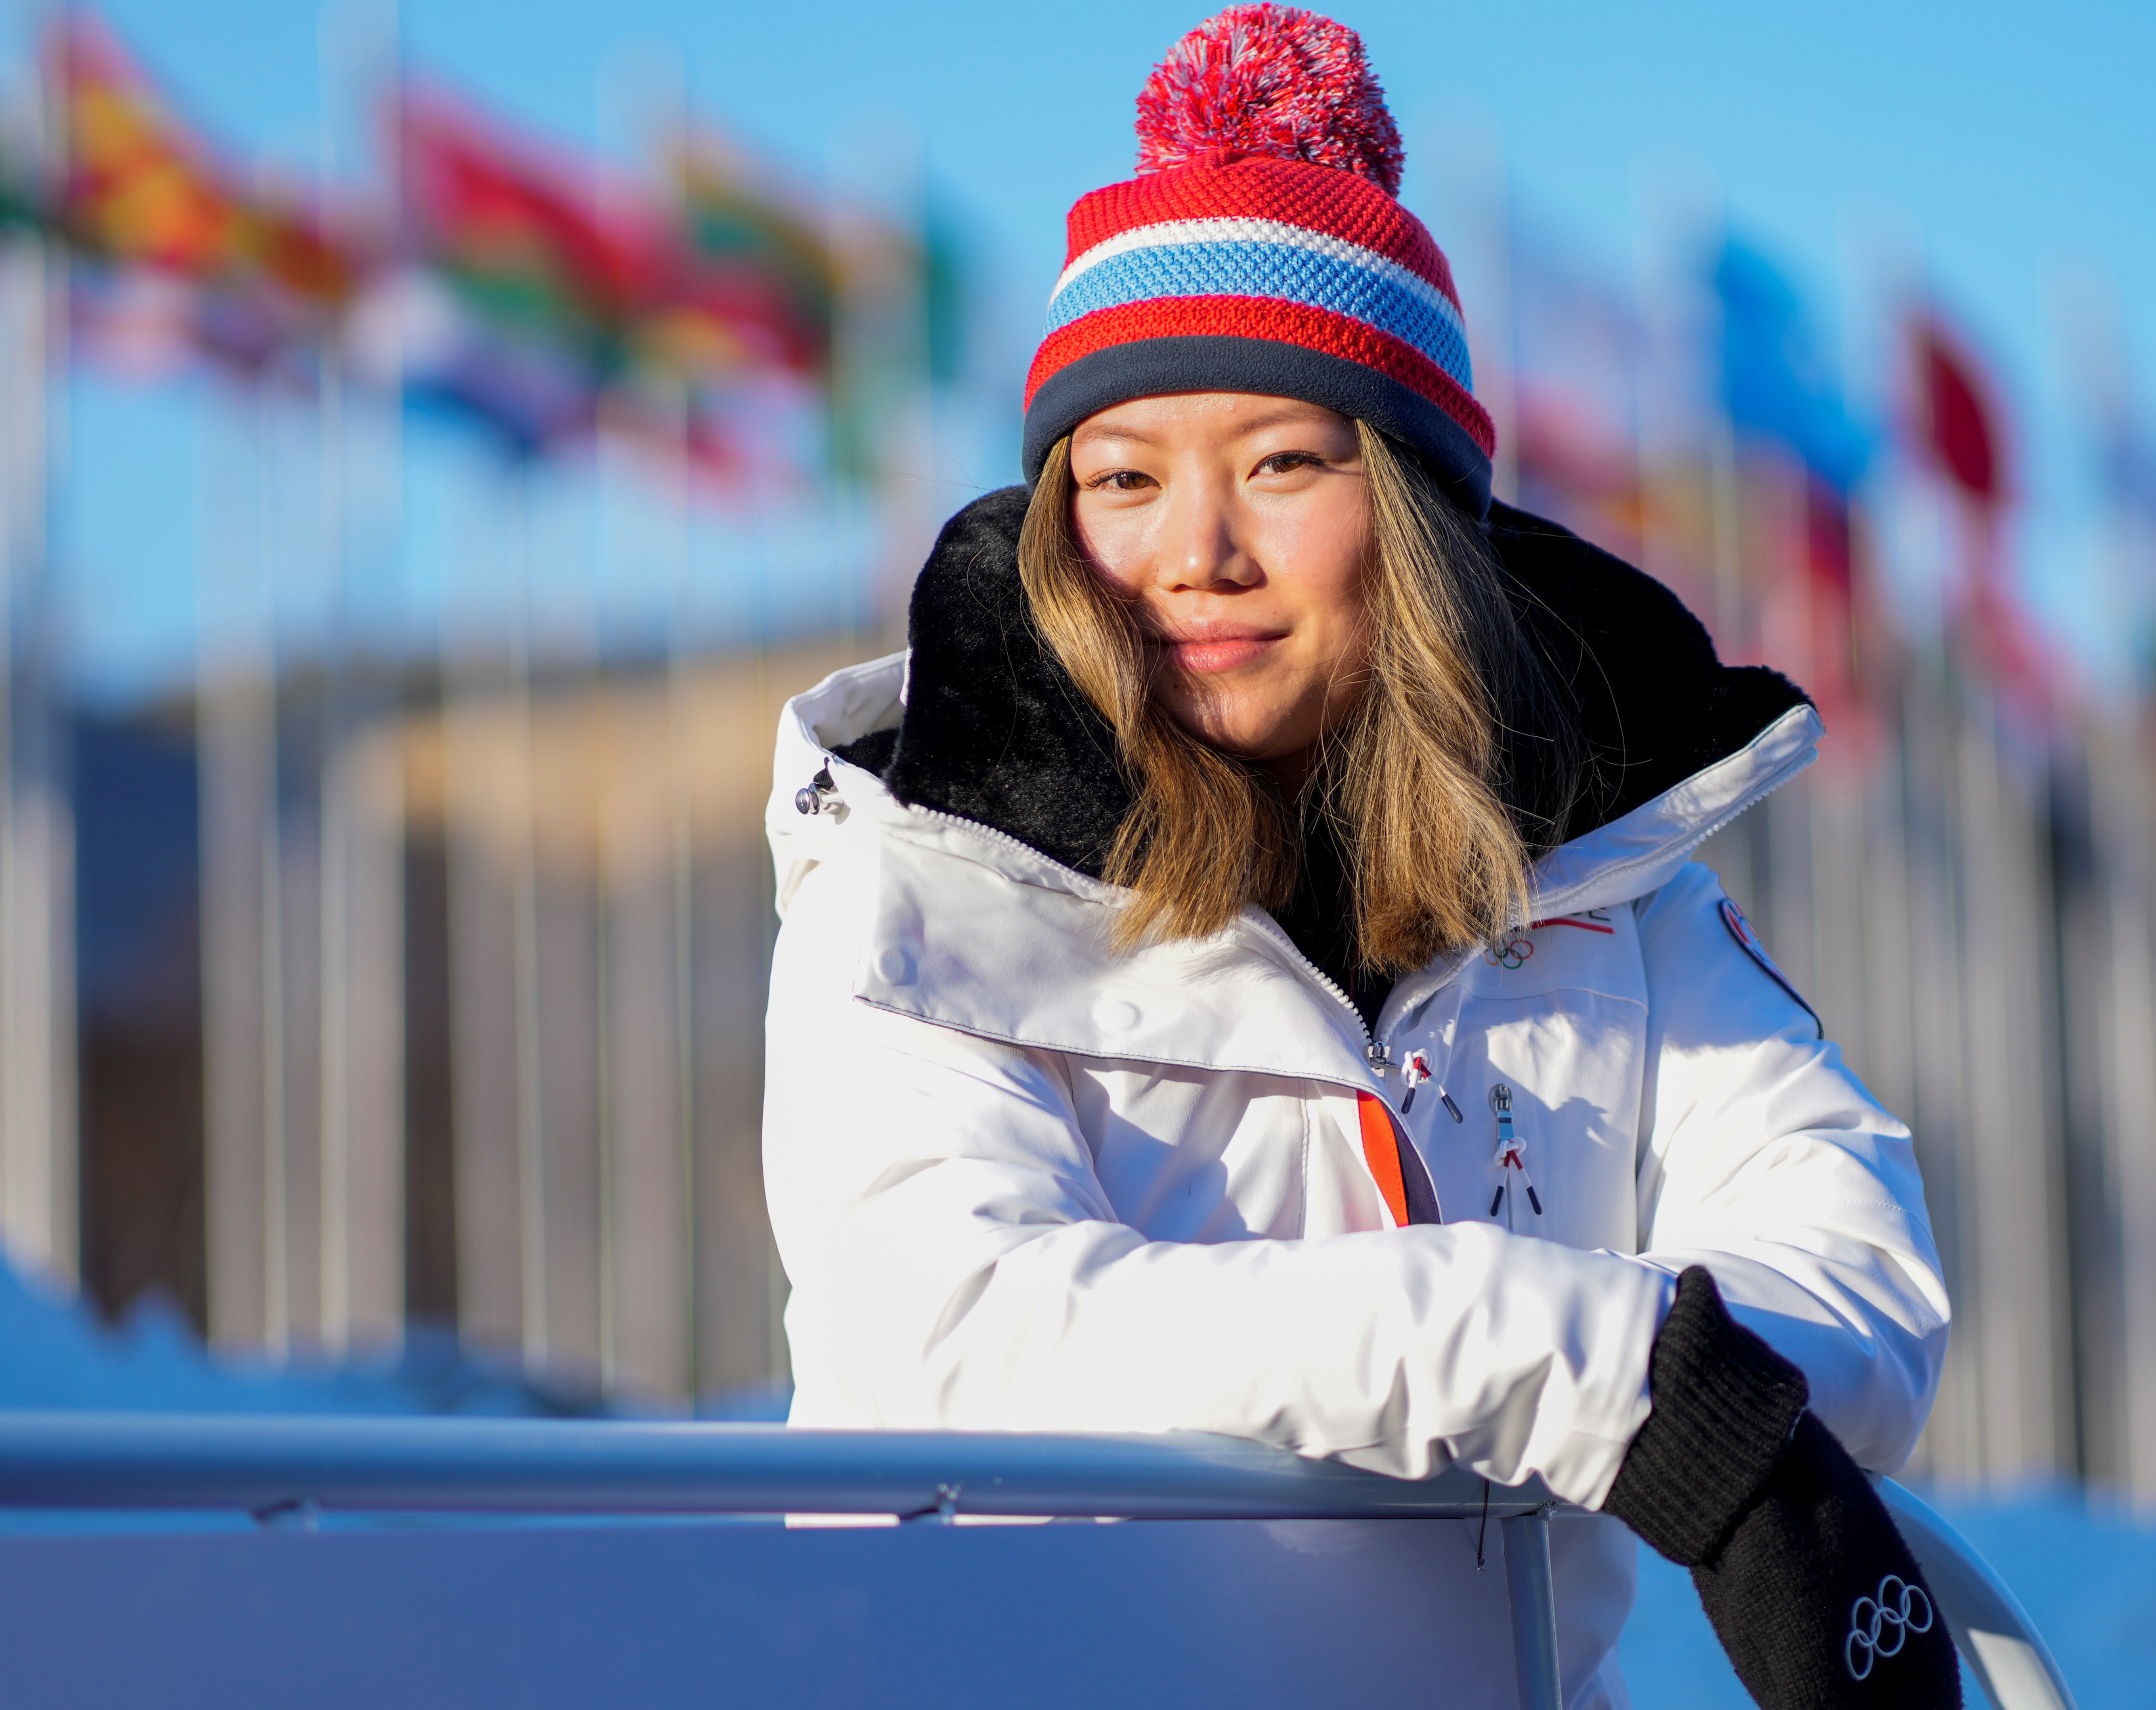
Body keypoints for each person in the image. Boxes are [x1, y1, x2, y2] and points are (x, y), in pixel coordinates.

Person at [761, 8, 1956, 1707]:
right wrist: (1587, 1367)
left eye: (1281, 463)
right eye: (1124, 475)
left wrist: (1681, 1396)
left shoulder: (1609, 891)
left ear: (1409, 508)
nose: (1196, 550)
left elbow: (1857, 1275)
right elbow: (966, 1345)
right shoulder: (912, 889)